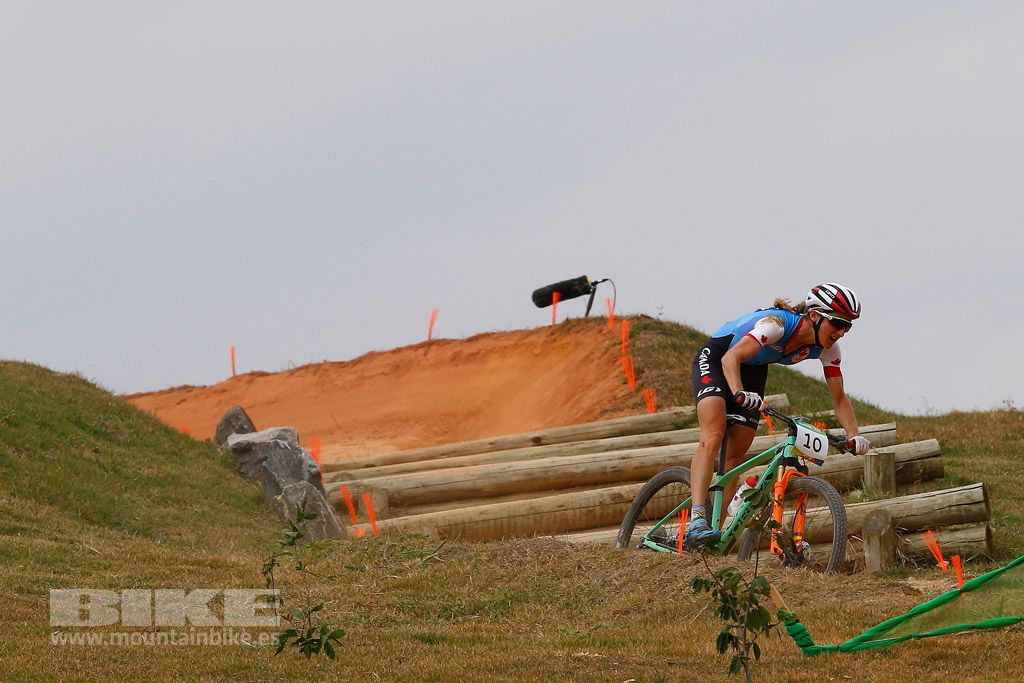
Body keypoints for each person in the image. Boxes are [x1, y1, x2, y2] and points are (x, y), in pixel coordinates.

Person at [683, 283, 872, 549]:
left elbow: (839, 397)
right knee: (713, 435)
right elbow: (730, 358)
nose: (842, 332)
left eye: (848, 326)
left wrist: (854, 434)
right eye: (838, 323)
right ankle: (697, 520)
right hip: (719, 358)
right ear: (815, 315)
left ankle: (711, 533)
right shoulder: (777, 325)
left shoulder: (829, 350)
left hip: (753, 369)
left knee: (735, 457)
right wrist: (738, 393)